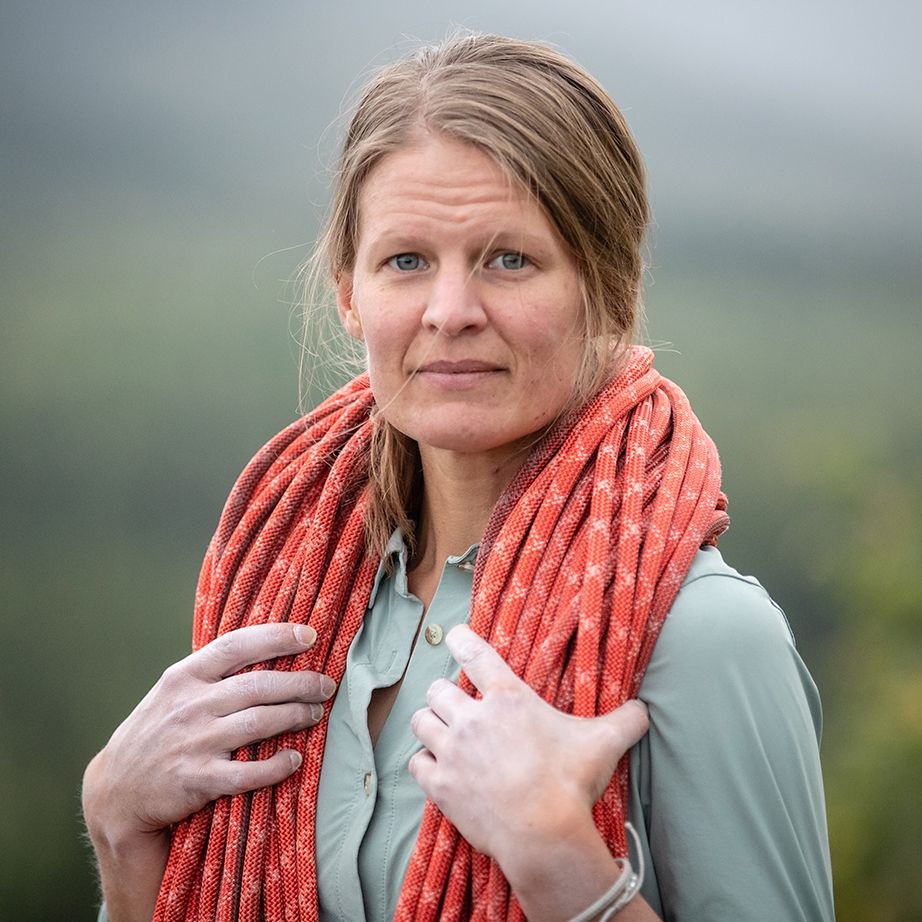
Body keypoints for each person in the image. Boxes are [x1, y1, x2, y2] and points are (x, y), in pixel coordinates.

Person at [82, 33, 835, 922]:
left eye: (508, 259)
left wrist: (561, 862)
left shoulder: (705, 636)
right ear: (349, 292)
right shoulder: (289, 600)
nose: (450, 312)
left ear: (612, 288)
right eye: (406, 261)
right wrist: (119, 830)